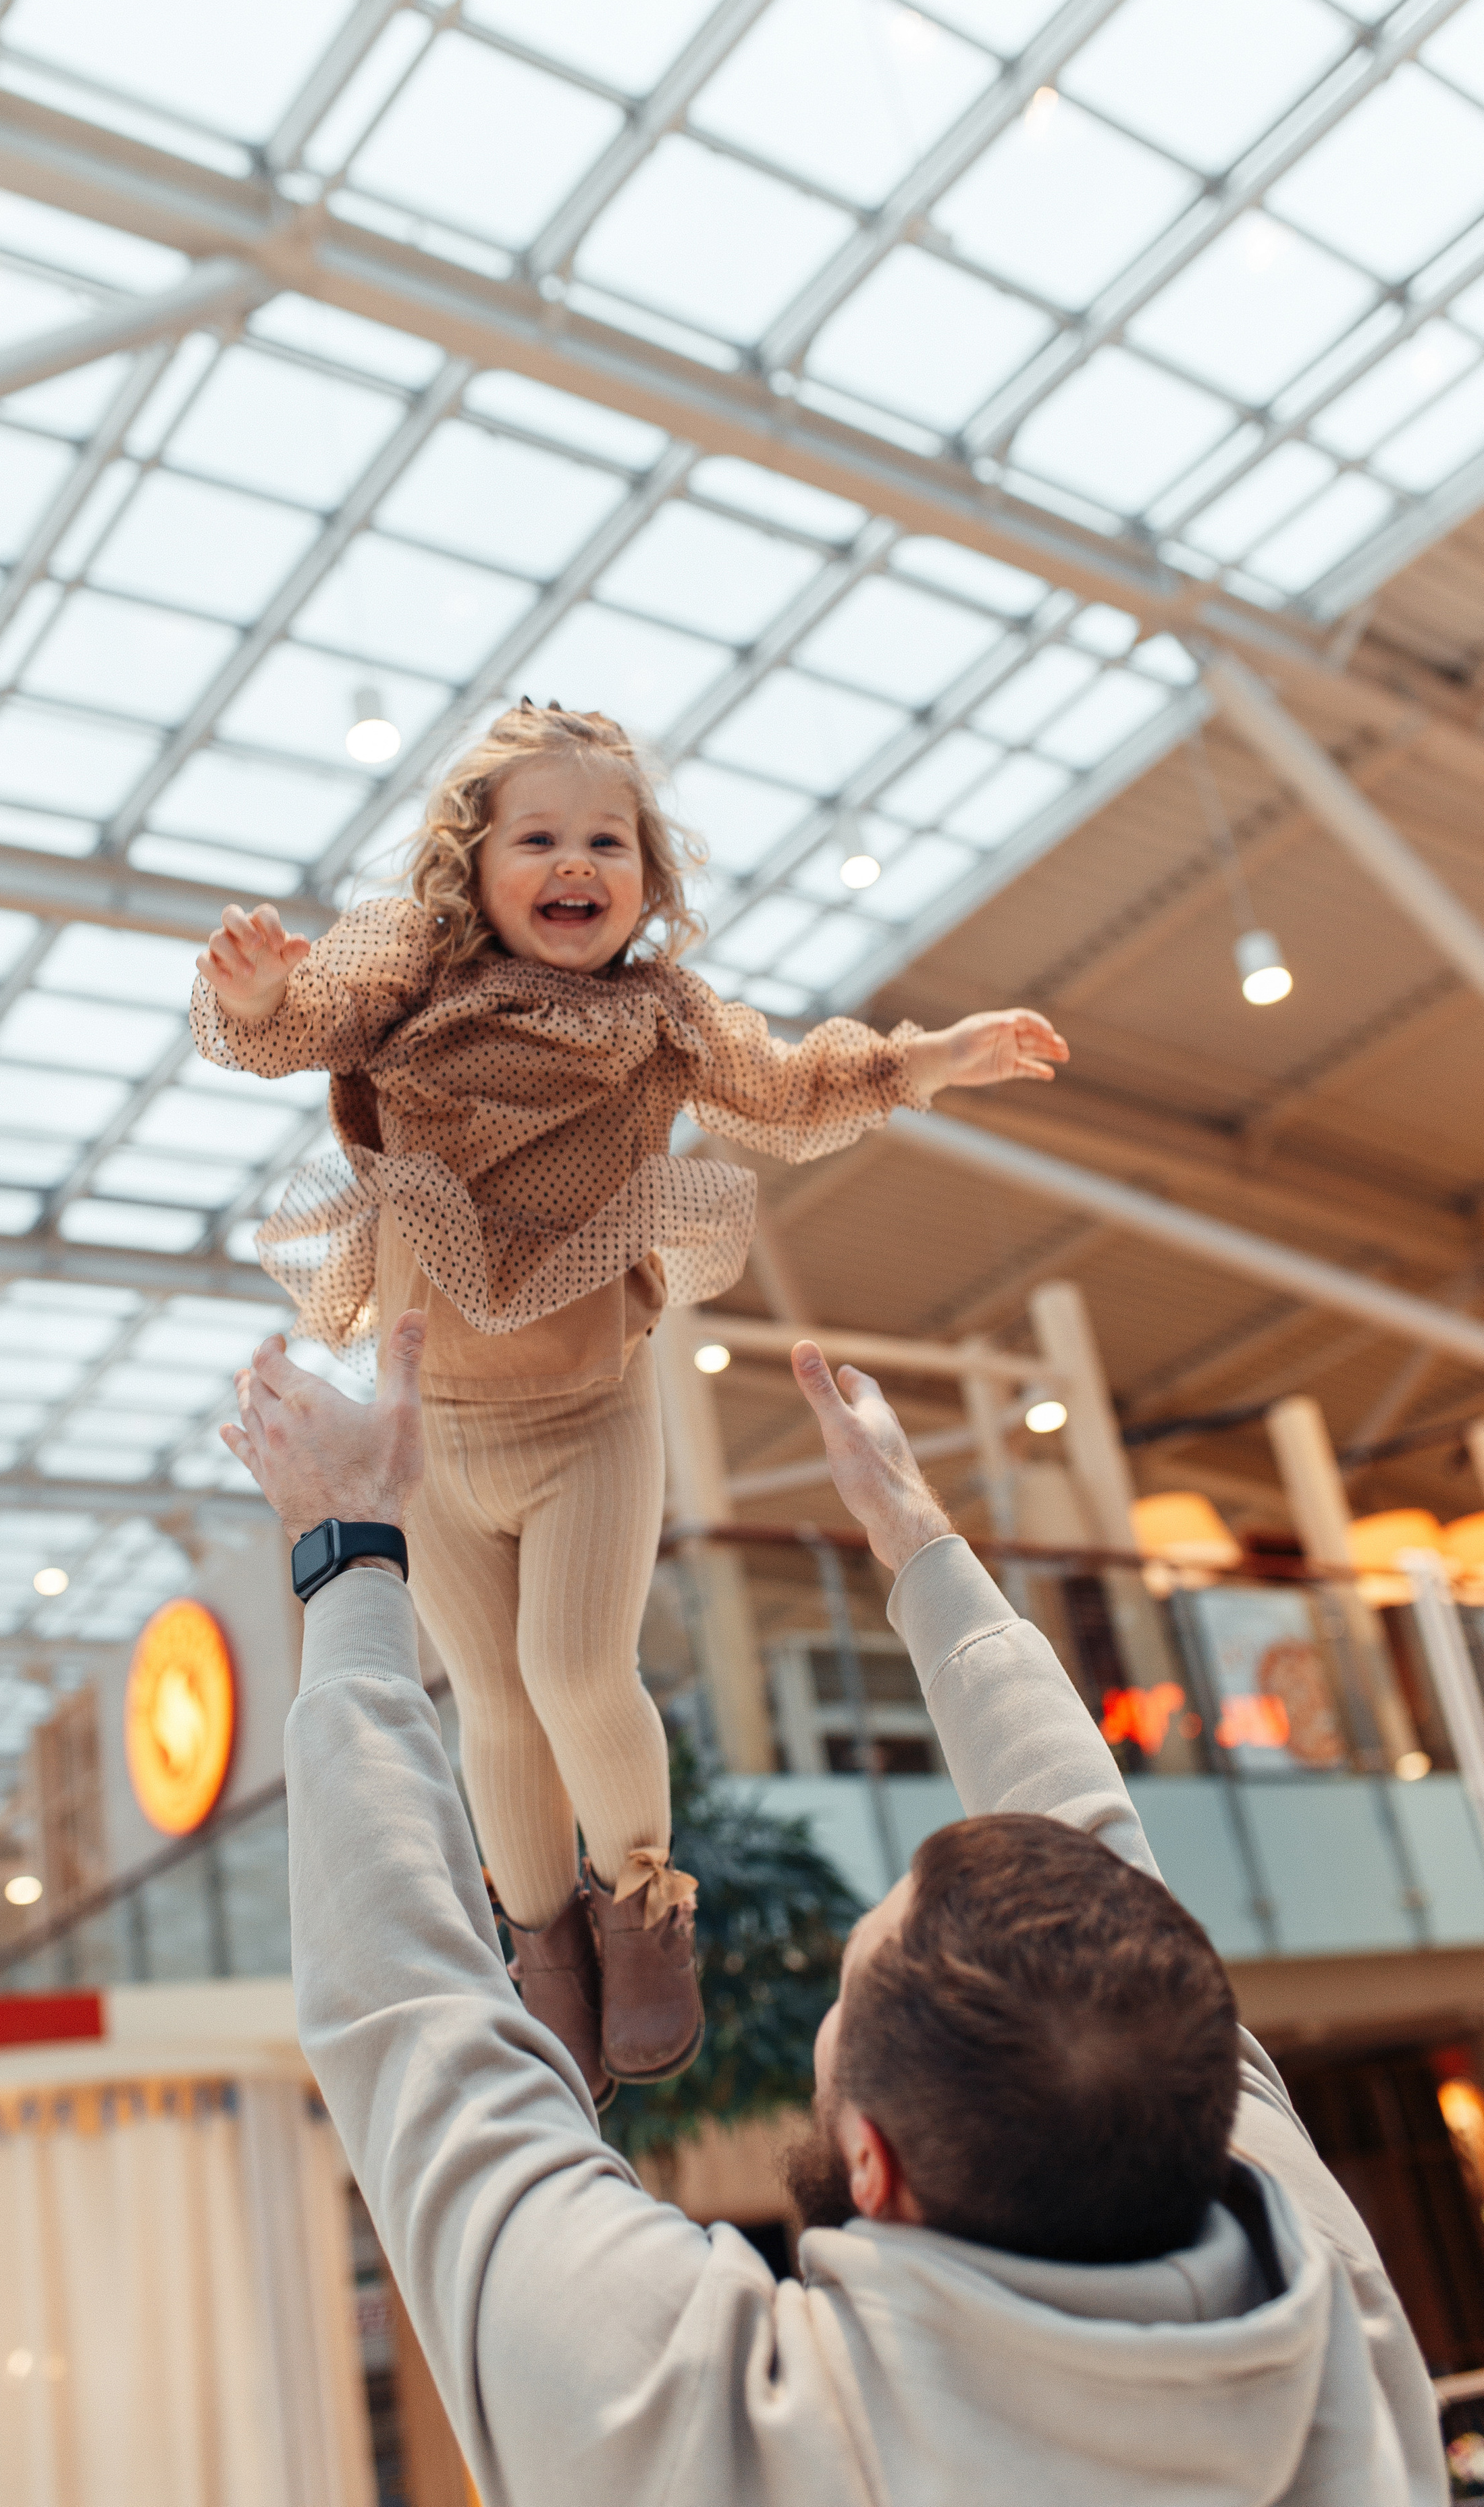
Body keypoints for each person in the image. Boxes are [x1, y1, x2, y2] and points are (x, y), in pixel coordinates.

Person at [223, 1311, 1443, 2507]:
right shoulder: (1338, 2316)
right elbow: (411, 2022)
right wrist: (917, 1536)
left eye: (848, 1983)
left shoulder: (709, 2422)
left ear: (873, 2161)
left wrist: (346, 1542)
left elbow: (410, 2014)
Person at [192, 697, 1067, 2099]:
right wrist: (252, 999)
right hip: (432, 1433)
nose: (573, 862)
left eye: (607, 841)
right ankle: (541, 1947)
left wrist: (932, 1056)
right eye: (536, 838)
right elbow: (303, 1022)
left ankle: (642, 1905)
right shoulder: (407, 974)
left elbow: (788, 1090)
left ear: (647, 877)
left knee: (574, 1673)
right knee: (491, 1699)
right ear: (473, 867)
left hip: (589, 1413)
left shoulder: (662, 1014)